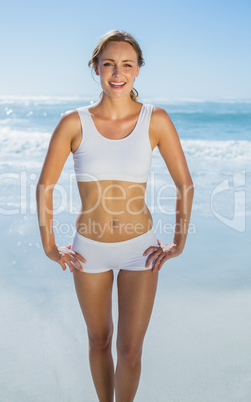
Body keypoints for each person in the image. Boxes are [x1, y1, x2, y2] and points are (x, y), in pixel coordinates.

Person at [36, 30, 194, 402]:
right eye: (108, 64)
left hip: (141, 249)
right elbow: (44, 188)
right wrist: (50, 247)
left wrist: (178, 243)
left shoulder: (156, 120)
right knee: (99, 339)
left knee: (130, 352)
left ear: (138, 71)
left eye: (127, 64)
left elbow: (184, 183)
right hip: (88, 248)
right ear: (96, 68)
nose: (117, 72)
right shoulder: (72, 123)